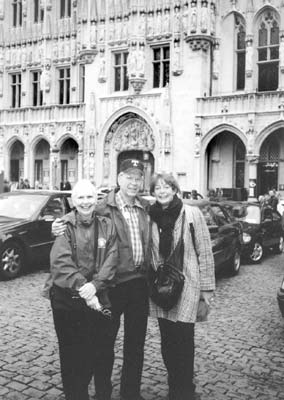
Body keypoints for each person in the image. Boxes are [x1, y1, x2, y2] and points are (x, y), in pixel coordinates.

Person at [52, 159, 151, 400]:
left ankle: (130, 393)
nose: (134, 182)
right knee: (104, 343)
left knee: (135, 343)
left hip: (139, 284)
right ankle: (102, 392)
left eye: (138, 178)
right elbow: (79, 211)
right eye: (129, 177)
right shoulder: (103, 205)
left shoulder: (146, 206)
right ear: (118, 179)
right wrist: (58, 225)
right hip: (112, 285)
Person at [45, 179, 118, 400]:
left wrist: (94, 286)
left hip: (98, 295)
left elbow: (112, 258)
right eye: (81, 198)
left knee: (98, 351)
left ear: (96, 199)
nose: (86, 202)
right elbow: (60, 263)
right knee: (71, 353)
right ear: (73, 201)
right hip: (67, 300)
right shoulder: (64, 226)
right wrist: (84, 289)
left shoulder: (107, 224)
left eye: (90, 197)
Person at [148, 172, 215, 400]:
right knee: (167, 341)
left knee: (184, 340)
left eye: (167, 186)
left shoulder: (191, 214)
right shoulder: (150, 217)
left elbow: (205, 252)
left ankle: (185, 390)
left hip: (188, 285)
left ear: (175, 189)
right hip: (162, 288)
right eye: (158, 188)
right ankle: (173, 384)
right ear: (153, 192)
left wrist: (206, 290)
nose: (162, 191)